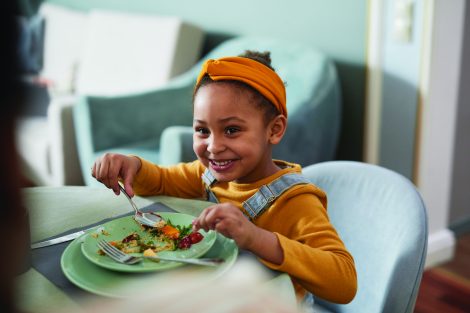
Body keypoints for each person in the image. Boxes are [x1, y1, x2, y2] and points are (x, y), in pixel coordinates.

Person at [92, 51, 357, 304]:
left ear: (274, 130)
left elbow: (344, 282)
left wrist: (255, 237)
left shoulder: (295, 201)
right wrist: (132, 165)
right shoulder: (208, 175)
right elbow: (160, 180)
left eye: (231, 130)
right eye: (202, 130)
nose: (214, 146)